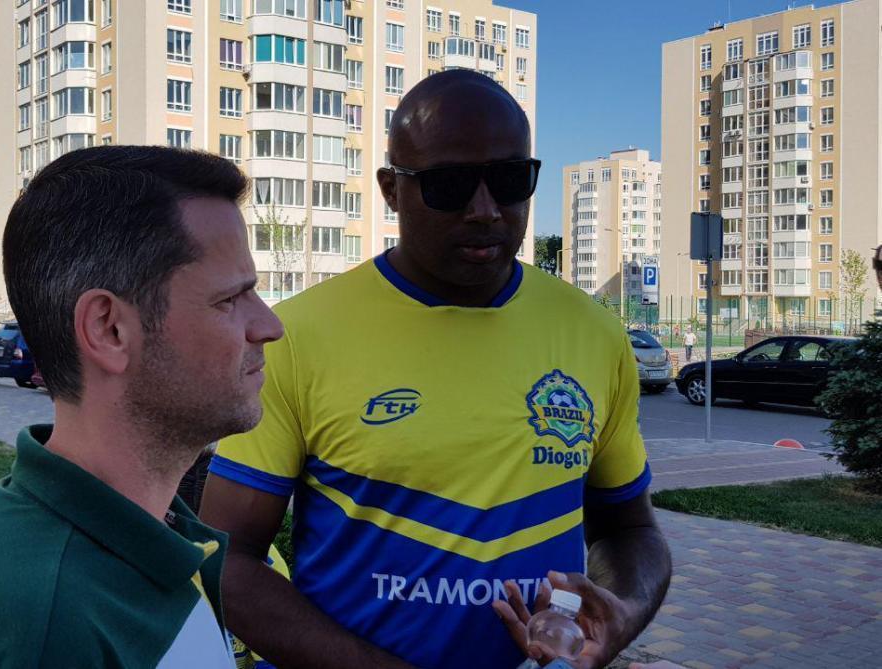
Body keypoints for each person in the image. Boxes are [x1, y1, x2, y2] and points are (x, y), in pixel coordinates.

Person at [201, 70, 671, 669]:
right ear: (391, 190)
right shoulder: (297, 336)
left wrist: (624, 610)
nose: (485, 210)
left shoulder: (595, 334)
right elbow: (228, 561)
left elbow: (629, 529)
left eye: (510, 180)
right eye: (449, 185)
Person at [0, 145, 283, 668]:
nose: (270, 326)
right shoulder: (44, 624)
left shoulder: (145, 537)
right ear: (109, 329)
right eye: (229, 299)